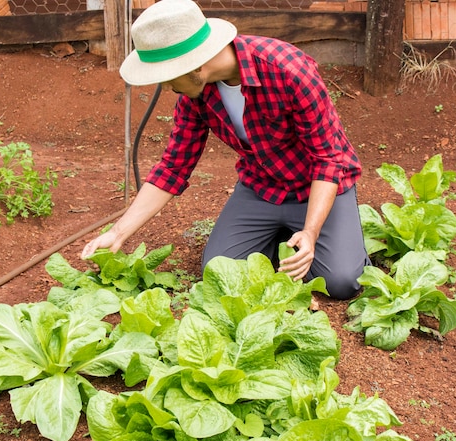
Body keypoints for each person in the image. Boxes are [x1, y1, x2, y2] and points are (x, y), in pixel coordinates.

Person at [81, 0, 370, 299]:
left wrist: (311, 232)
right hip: (261, 188)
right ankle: (282, 237)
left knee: (341, 281)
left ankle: (321, 235)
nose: (166, 88)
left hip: (318, 186)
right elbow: (173, 167)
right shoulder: (195, 94)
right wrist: (117, 233)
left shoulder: (288, 71)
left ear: (195, 63)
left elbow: (327, 159)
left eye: (167, 77)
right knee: (219, 274)